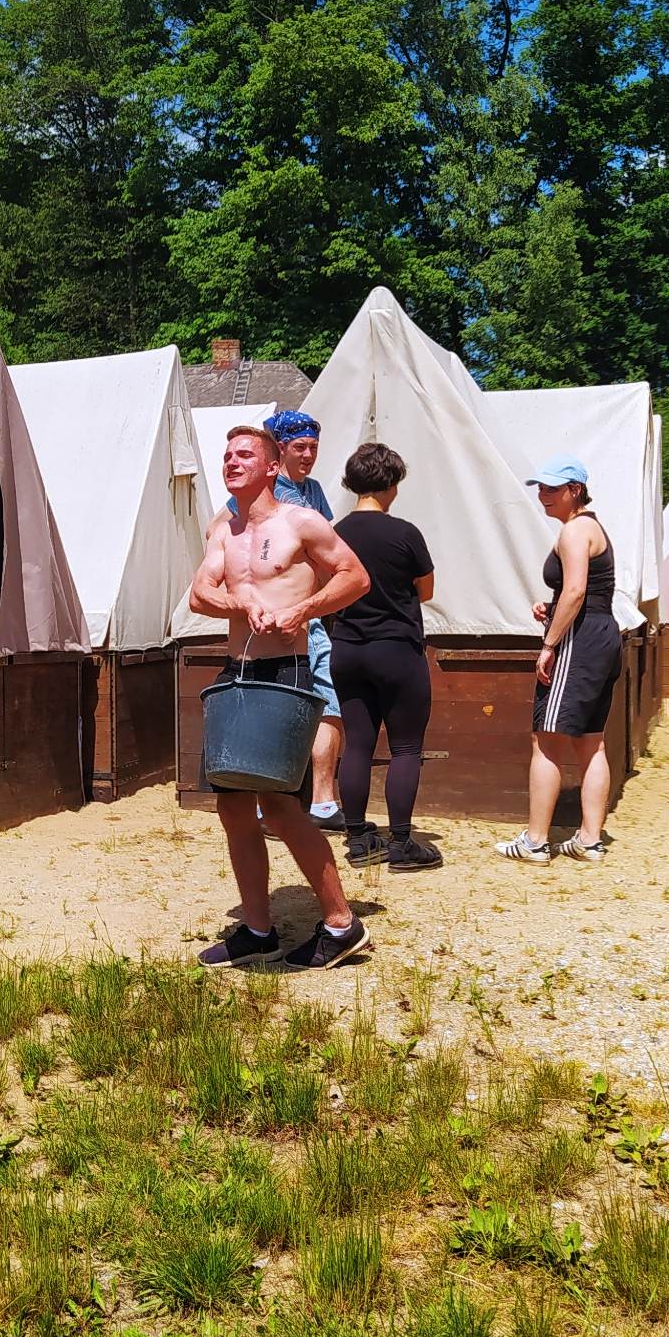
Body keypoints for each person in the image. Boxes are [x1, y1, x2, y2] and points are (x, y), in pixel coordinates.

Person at [191, 425, 372, 969]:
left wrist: (303, 610)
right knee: (232, 806)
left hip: (286, 671)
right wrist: (240, 600)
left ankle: (341, 924)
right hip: (238, 672)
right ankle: (257, 929)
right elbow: (200, 594)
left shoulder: (301, 521)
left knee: (280, 805)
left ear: (272, 467)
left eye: (245, 454)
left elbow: (355, 577)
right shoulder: (223, 528)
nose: (232, 461)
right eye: (227, 455)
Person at [498, 457, 622, 865]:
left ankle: (535, 842)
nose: (543, 496)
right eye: (540, 488)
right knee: (590, 740)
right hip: (602, 634)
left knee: (546, 738)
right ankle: (589, 839)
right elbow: (585, 593)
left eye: (551, 489)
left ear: (575, 490)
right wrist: (551, 608)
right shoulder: (592, 527)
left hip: (580, 641)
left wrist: (550, 643)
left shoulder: (574, 530)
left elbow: (576, 592)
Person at [329, 442, 440, 872]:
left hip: (347, 648)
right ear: (391, 484)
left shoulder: (335, 533)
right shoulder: (405, 534)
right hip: (396, 648)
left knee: (357, 743)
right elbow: (425, 591)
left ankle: (358, 839)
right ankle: (401, 843)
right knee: (406, 747)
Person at [252, 410, 346, 829]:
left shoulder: (314, 491)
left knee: (327, 700)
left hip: (313, 616)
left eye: (313, 447)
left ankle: (323, 803)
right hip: (274, 615)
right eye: (299, 447)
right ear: (281, 448)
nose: (308, 455)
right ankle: (266, 803)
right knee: (274, 704)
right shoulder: (265, 490)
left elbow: (329, 548)